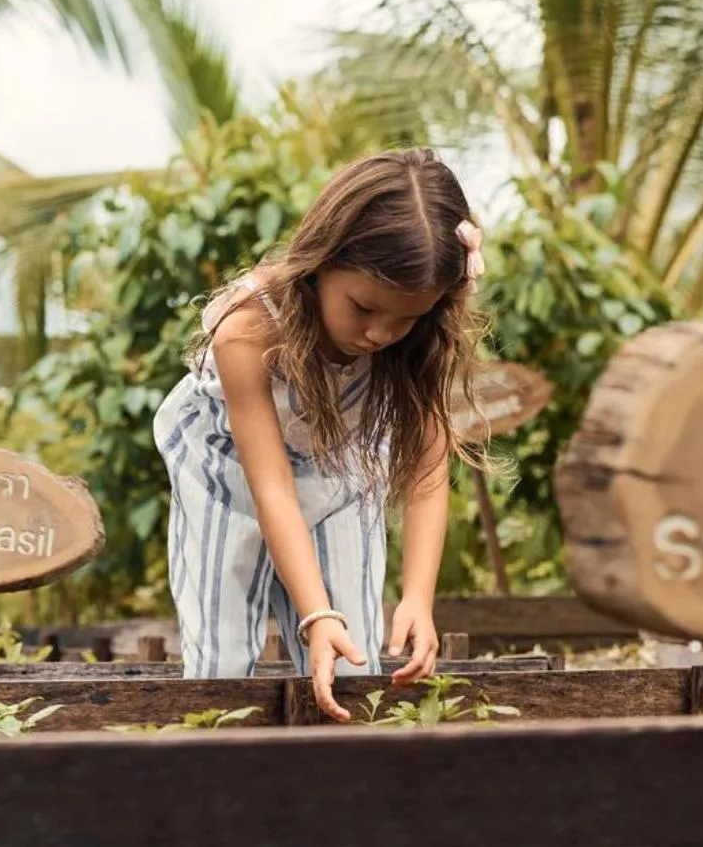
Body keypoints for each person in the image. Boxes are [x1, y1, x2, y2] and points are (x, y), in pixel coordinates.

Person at [153, 148, 485, 720]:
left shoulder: (419, 339)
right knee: (222, 664)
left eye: (405, 319)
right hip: (228, 478)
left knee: (357, 667)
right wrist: (315, 613)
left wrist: (417, 598)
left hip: (340, 468)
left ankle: (345, 795)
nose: (380, 333)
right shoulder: (250, 331)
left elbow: (428, 473)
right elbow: (272, 489)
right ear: (323, 261)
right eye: (363, 307)